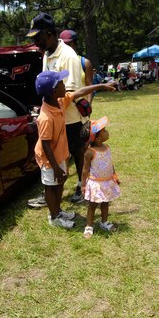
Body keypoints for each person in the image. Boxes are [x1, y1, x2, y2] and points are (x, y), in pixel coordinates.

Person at [34, 70, 116, 229]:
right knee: (51, 187)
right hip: (48, 159)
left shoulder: (59, 102)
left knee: (60, 183)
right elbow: (45, 145)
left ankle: (58, 211)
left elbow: (79, 92)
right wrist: (56, 167)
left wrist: (102, 85)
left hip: (60, 155)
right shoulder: (45, 117)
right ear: (53, 91)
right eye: (61, 84)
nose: (65, 85)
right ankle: (54, 217)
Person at [25, 12, 83, 209]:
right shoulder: (47, 54)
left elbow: (72, 90)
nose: (36, 44)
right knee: (55, 161)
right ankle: (51, 195)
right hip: (54, 118)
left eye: (38, 38)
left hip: (69, 119)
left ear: (49, 34)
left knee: (71, 156)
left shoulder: (69, 56)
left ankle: (76, 189)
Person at [59, 29, 94, 203]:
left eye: (69, 43)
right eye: (63, 43)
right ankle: (59, 185)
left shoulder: (83, 62)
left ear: (75, 43)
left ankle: (82, 183)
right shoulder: (60, 59)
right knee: (64, 153)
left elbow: (89, 85)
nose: (65, 46)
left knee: (79, 152)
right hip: (61, 115)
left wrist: (87, 107)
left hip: (79, 115)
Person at [81, 116, 121, 238]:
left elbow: (110, 163)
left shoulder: (107, 147)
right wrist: (83, 185)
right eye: (104, 130)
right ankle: (89, 226)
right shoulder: (90, 152)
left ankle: (104, 221)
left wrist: (114, 175)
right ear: (98, 139)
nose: (107, 131)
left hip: (107, 182)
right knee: (92, 205)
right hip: (96, 184)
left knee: (105, 203)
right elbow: (85, 170)